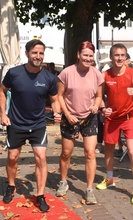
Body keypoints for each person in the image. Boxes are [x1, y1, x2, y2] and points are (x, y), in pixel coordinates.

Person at [0, 39, 61, 212]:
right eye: (34, 52)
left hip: (38, 124)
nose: (38, 56)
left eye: (41, 53)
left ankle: (40, 195)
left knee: (41, 157)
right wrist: (3, 114)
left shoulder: (49, 77)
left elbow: (55, 100)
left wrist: (58, 113)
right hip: (16, 123)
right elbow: (2, 91)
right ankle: (11, 185)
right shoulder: (14, 73)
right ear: (27, 53)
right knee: (12, 157)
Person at [96, 44, 133, 205]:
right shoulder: (105, 75)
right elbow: (99, 98)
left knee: (132, 151)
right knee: (109, 149)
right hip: (112, 119)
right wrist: (104, 109)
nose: (119, 58)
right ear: (111, 57)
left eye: (122, 55)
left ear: (126, 58)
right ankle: (110, 178)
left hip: (128, 118)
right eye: (116, 55)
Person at [55, 41, 105, 205]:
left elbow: (99, 96)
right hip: (70, 118)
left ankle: (89, 189)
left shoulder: (97, 74)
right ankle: (63, 181)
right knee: (66, 153)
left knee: (90, 153)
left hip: (89, 119)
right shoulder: (66, 73)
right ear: (78, 55)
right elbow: (59, 96)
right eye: (85, 55)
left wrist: (96, 106)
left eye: (91, 56)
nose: (88, 58)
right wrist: (67, 114)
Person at [114, 53, 132, 157]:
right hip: (117, 107)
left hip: (129, 108)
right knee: (118, 131)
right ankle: (120, 148)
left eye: (126, 60)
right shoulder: (115, 72)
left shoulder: (132, 72)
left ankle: (130, 150)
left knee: (128, 131)